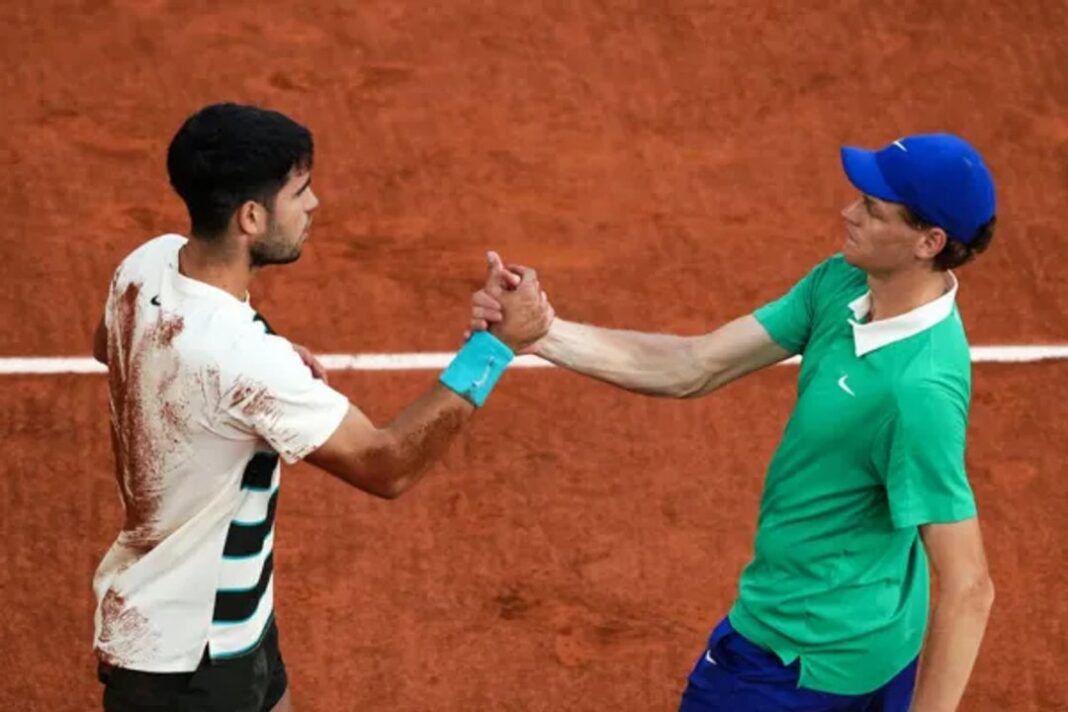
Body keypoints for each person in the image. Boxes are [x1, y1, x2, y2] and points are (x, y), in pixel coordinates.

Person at [471, 133, 998, 711]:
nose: (849, 213)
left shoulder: (915, 388)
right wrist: (542, 332)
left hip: (790, 655)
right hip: (873, 636)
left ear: (929, 241)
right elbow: (694, 365)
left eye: (872, 210)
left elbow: (969, 586)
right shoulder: (845, 284)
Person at [89, 102, 553, 712]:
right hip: (188, 661)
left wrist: (256, 358)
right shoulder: (242, 361)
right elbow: (387, 465)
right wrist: (491, 351)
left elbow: (109, 344)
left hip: (232, 618)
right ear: (251, 217)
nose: (314, 205)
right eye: (299, 192)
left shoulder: (148, 262)